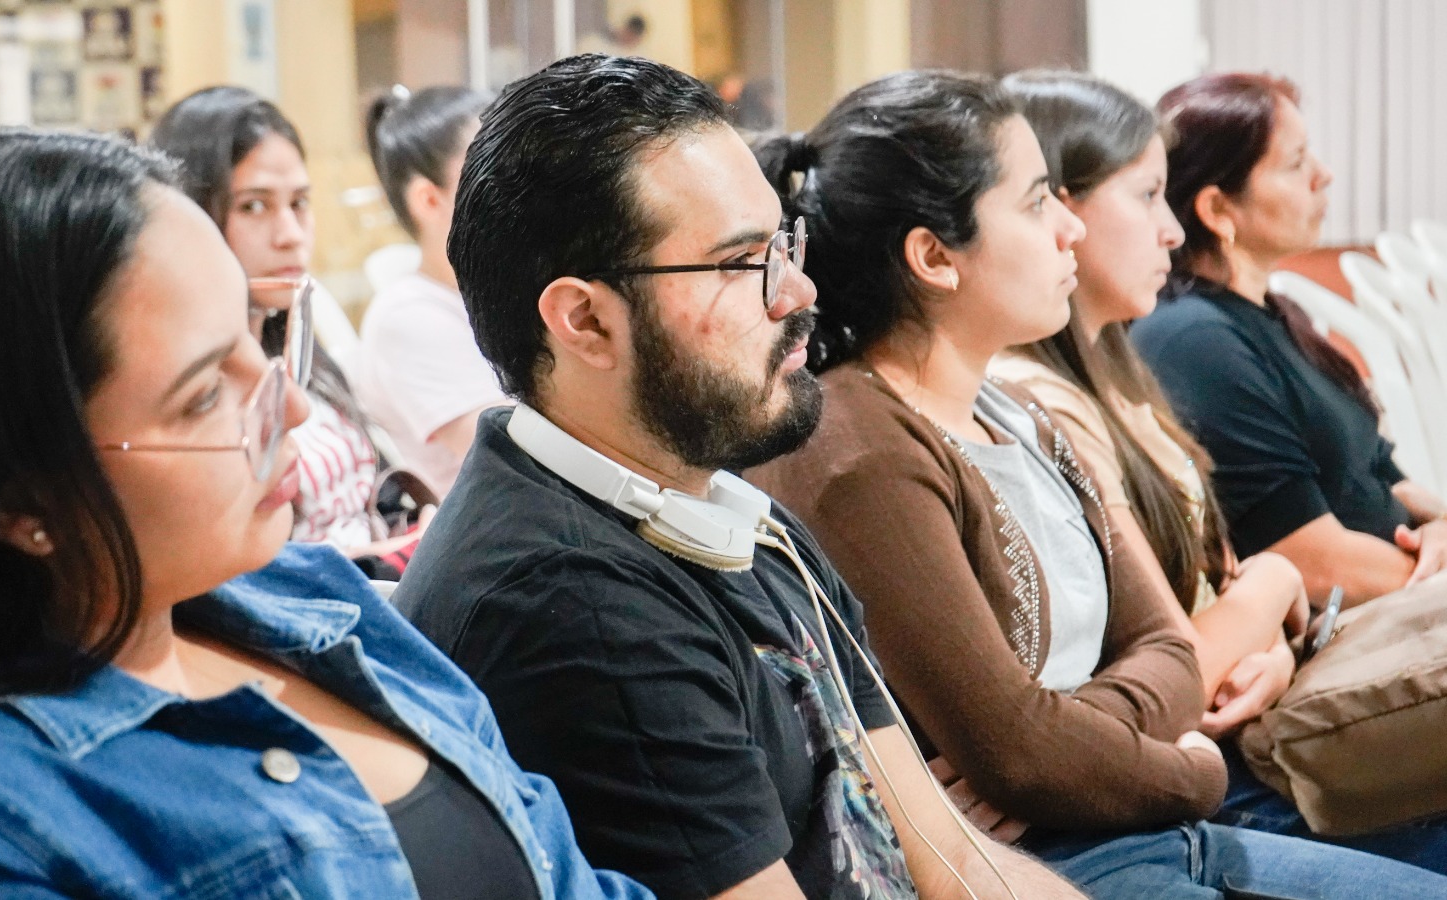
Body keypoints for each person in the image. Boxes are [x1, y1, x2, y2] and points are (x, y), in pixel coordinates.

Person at [0, 129, 648, 899]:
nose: (290, 406)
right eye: (202, 397)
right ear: (24, 500)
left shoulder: (316, 600)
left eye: (257, 337)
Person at [742, 69, 1447, 897]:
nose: (1069, 228)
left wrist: (1077, 742)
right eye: (1039, 202)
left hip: (1145, 820)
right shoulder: (860, 448)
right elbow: (1023, 755)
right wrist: (1188, 767)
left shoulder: (1013, 413)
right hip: (1059, 859)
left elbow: (1161, 651)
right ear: (934, 256)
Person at [393, 54, 1083, 899]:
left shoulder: (730, 513)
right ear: (585, 321)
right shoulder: (576, 608)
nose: (796, 290)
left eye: (780, 243)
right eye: (738, 261)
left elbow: (954, 861)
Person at [988, 71, 1305, 739]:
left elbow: (1215, 593)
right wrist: (1278, 580)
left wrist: (1273, 650)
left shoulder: (1118, 368)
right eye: (1149, 196)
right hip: (1174, 760)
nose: (1172, 231)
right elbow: (1179, 663)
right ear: (1060, 210)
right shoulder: (1037, 398)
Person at [1133, 73, 1447, 606]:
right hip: (1345, 629)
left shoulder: (1276, 313)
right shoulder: (1197, 342)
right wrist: (1431, 573)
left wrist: (1440, 527)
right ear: (1218, 210)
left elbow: (1380, 473)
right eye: (1296, 163)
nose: (1322, 175)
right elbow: (1312, 564)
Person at [151, 86, 427, 578]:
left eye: (299, 203)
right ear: (191, 214)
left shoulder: (297, 343)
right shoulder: (185, 385)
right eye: (254, 207)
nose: (290, 234)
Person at [353, 85, 504, 498]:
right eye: (492, 170)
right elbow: (519, 459)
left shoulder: (497, 297)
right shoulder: (406, 318)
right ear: (429, 200)